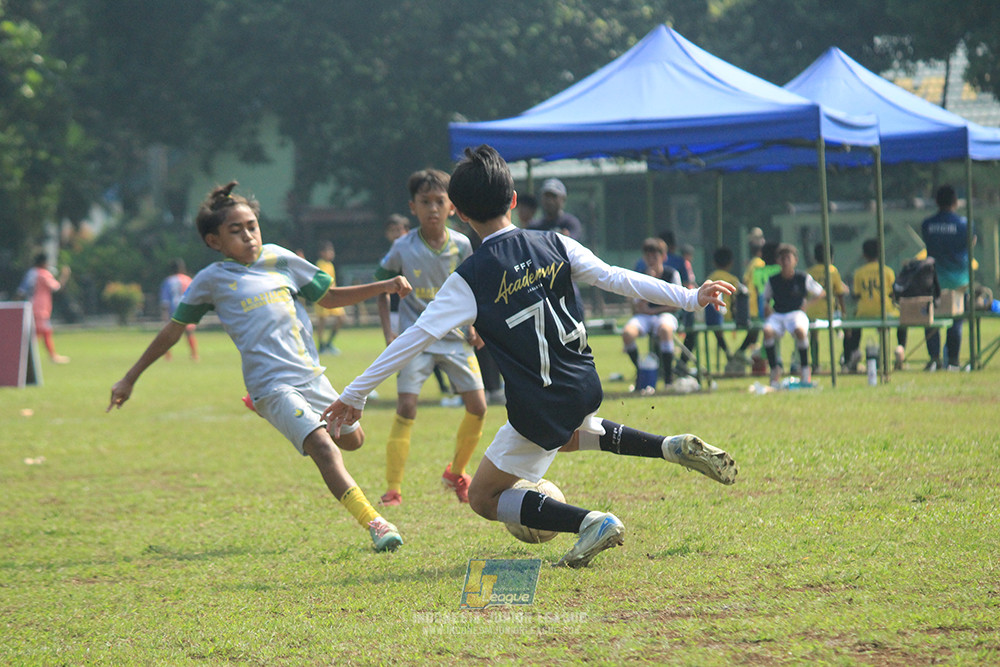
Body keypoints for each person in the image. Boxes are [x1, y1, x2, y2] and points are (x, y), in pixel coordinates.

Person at [323, 145, 738, 569]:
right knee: (573, 435)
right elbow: (616, 277)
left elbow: (414, 337)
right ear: (515, 200)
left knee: (483, 497)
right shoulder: (555, 242)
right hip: (583, 383)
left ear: (460, 214)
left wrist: (355, 395)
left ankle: (592, 522)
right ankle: (669, 447)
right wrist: (689, 297)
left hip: (539, 403)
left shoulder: (469, 278)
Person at [107, 182, 411, 553]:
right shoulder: (210, 280)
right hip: (271, 386)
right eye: (235, 231)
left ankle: (292, 416)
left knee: (353, 441)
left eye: (252, 226)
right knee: (322, 447)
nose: (248, 236)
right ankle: (375, 524)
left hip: (311, 376)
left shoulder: (280, 259)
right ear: (213, 241)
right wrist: (129, 377)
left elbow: (328, 297)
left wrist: (384, 286)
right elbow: (173, 331)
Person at [373, 168, 487, 507]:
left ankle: (456, 473)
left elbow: (477, 288)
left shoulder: (463, 245)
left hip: (454, 340)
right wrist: (389, 333)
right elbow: (381, 288)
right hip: (416, 338)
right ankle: (393, 488)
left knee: (478, 406)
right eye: (426, 202)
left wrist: (476, 324)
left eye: (440, 202)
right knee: (407, 406)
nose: (433, 209)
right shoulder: (401, 248)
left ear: (453, 207)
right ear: (413, 207)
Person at [620, 237, 693, 393]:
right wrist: (649, 280)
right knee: (627, 333)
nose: (651, 260)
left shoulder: (671, 274)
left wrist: (654, 310)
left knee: (665, 329)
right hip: (646, 317)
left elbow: (676, 304)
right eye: (648, 256)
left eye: (655, 256)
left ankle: (668, 379)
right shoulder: (640, 276)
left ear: (663, 257)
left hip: (665, 314)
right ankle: (642, 372)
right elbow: (637, 306)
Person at [922, 185, 975, 371]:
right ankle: (953, 360)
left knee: (931, 320)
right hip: (959, 281)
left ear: (937, 202)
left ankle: (934, 358)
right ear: (955, 202)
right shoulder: (964, 224)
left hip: (934, 280)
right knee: (956, 322)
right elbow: (969, 243)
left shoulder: (927, 224)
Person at [762, 243, 825, 387]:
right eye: (782, 258)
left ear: (795, 260)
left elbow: (821, 292)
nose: (785, 262)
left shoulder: (802, 278)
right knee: (767, 331)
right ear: (778, 261)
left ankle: (804, 369)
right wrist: (767, 308)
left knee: (800, 331)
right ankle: (774, 369)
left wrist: (807, 305)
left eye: (788, 258)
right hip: (778, 314)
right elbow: (765, 299)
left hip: (796, 313)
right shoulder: (773, 280)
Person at [842, 238, 906, 372]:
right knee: (902, 322)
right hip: (886, 311)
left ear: (864, 254)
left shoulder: (859, 272)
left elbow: (857, 294)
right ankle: (900, 347)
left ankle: (855, 351)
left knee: (856, 323)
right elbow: (892, 293)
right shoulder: (888, 271)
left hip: (865, 311)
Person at [17, 253, 71, 364]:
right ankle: (25, 356)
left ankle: (24, 356)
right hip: (41, 308)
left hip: (30, 306)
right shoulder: (43, 274)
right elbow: (57, 287)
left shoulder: (31, 273)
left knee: (38, 332)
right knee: (42, 332)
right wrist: (64, 275)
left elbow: (21, 291)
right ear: (43, 262)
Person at [804, 243, 848, 372]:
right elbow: (839, 293)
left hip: (812, 310)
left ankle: (815, 363)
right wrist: (843, 310)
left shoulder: (809, 271)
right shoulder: (832, 270)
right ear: (831, 256)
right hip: (828, 311)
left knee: (814, 336)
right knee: (843, 330)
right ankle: (844, 358)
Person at [704, 246, 742, 365]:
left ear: (714, 262)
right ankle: (738, 353)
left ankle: (728, 353)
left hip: (715, 317)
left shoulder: (710, 278)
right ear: (731, 263)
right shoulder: (733, 280)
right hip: (731, 317)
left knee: (717, 331)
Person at [159, 258, 199, 362]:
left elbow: (165, 300)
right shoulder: (188, 279)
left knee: (169, 334)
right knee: (189, 332)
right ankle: (194, 355)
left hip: (174, 309)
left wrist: (164, 313)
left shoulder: (168, 281)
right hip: (188, 308)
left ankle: (168, 356)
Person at [313, 241, 347, 355]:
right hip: (323, 296)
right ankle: (321, 345)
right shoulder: (320, 264)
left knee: (341, 317)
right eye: (329, 251)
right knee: (322, 321)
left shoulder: (330, 265)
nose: (331, 253)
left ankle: (329, 343)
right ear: (322, 253)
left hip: (333, 296)